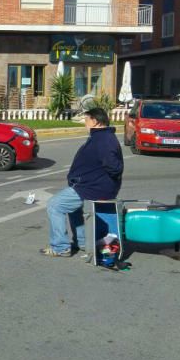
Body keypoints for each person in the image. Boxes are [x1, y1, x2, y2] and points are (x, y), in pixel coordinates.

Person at [43, 107, 124, 257]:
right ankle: (84, 243)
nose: (85, 123)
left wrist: (92, 178)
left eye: (86, 120)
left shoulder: (104, 139)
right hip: (87, 185)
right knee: (74, 210)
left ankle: (60, 247)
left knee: (55, 205)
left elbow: (114, 167)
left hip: (92, 188)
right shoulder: (101, 137)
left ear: (95, 121)